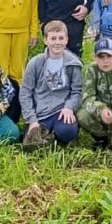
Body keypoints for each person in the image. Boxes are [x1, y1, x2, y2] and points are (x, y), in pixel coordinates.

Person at [20, 20, 83, 151]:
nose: (57, 42)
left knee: (68, 132)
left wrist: (69, 108)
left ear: (66, 40)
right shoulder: (35, 63)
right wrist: (32, 119)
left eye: (61, 38)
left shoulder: (73, 63)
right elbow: (25, 92)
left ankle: (55, 136)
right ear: (45, 40)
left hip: (61, 111)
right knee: (31, 144)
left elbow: (77, 91)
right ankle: (39, 131)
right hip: (40, 112)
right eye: (53, 38)